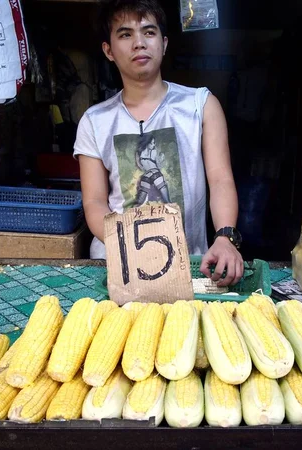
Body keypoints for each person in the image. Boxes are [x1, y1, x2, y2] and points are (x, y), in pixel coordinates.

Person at [73, 0, 243, 286]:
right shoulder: (94, 121)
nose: (139, 43)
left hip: (190, 265)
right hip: (117, 263)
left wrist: (225, 237)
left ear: (164, 44)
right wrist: (133, 248)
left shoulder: (201, 105)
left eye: (149, 32)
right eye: (125, 34)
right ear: (108, 51)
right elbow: (94, 201)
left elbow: (220, 179)